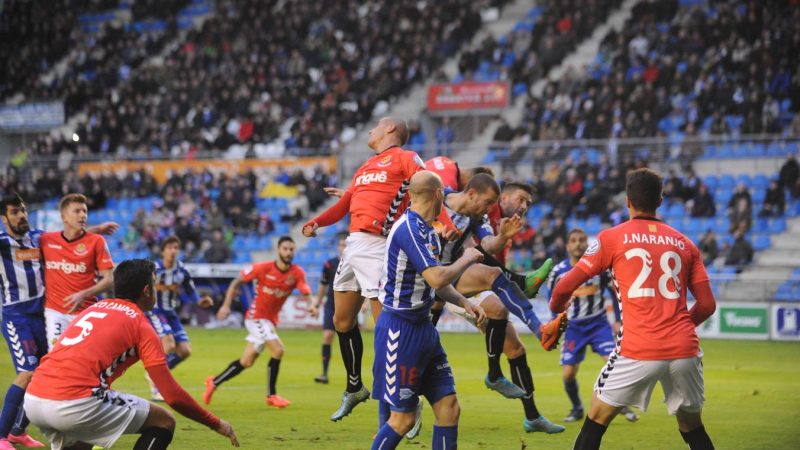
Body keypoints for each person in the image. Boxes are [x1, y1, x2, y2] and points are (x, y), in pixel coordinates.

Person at [550, 168, 716, 450]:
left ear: (627, 201)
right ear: (660, 201)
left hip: (638, 348)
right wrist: (679, 326)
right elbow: (707, 305)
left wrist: (557, 313)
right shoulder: (685, 243)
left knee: (595, 420)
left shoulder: (611, 238)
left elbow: (564, 287)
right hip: (684, 349)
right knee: (693, 428)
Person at [302, 117, 454, 421]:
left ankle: (405, 398)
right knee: (341, 321)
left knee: (386, 329)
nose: (370, 129)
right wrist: (317, 221)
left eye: (376, 126)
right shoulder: (365, 166)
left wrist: (445, 223)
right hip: (353, 245)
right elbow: (345, 204)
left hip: (378, 246)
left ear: (390, 129)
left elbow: (430, 188)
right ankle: (355, 387)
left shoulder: (406, 158)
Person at [23, 259, 238, 450]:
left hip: (34, 398)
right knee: (164, 421)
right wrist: (215, 423)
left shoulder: (93, 309)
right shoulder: (141, 325)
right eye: (154, 285)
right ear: (147, 290)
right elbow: (171, 395)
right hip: (73, 403)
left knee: (83, 440)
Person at [371, 170, 486, 450]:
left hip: (424, 330)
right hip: (400, 331)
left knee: (449, 407)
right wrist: (467, 258)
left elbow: (436, 283)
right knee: (403, 419)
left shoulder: (429, 231)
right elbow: (436, 277)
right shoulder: (409, 229)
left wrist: (464, 302)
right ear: (437, 194)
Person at [0, 194, 117, 450]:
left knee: (45, 373)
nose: (22, 216)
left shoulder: (38, 238)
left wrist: (97, 229)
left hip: (40, 314)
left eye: (23, 210)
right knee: (28, 373)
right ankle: (1, 436)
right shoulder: (2, 243)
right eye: (15, 212)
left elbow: (69, 236)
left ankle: (18, 431)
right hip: (16, 317)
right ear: (4, 218)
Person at [204, 236, 313, 408]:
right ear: (278, 250)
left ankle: (214, 382)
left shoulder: (297, 272)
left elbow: (305, 291)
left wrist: (311, 305)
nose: (288, 252)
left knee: (246, 361)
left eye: (291, 249)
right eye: (285, 249)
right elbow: (236, 282)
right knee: (278, 350)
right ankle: (271, 395)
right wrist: (226, 305)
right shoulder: (263, 268)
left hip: (269, 321)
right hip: (256, 318)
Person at [546, 228, 638, 423]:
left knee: (613, 364)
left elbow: (615, 292)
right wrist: (555, 321)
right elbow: (552, 299)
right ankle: (577, 408)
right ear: (567, 246)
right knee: (568, 374)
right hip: (573, 328)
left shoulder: (598, 269)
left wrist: (618, 319)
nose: (578, 243)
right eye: (573, 240)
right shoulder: (558, 272)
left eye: (581, 240)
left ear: (587, 245)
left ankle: (620, 405)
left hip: (598, 324)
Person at [40, 193, 114, 349]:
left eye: (85, 211)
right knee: (57, 355)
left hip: (85, 312)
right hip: (55, 312)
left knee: (85, 359)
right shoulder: (46, 240)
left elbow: (109, 280)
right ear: (64, 217)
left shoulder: (97, 241)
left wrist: (84, 294)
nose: (83, 215)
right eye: (77, 211)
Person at [145, 236, 214, 401]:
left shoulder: (181, 270)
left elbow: (190, 290)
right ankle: (156, 385)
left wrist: (199, 301)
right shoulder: (153, 269)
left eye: (176, 248)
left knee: (184, 351)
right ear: (162, 251)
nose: (173, 251)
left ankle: (154, 372)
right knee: (168, 344)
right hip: (155, 311)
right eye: (169, 248)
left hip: (170, 313)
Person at [308, 234, 347, 384]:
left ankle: (352, 374)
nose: (343, 248)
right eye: (341, 245)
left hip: (348, 304)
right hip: (331, 303)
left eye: (346, 245)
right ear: (338, 247)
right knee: (327, 336)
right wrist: (317, 304)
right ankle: (324, 373)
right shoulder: (329, 264)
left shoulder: (355, 264)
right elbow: (323, 285)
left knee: (347, 339)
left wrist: (362, 304)